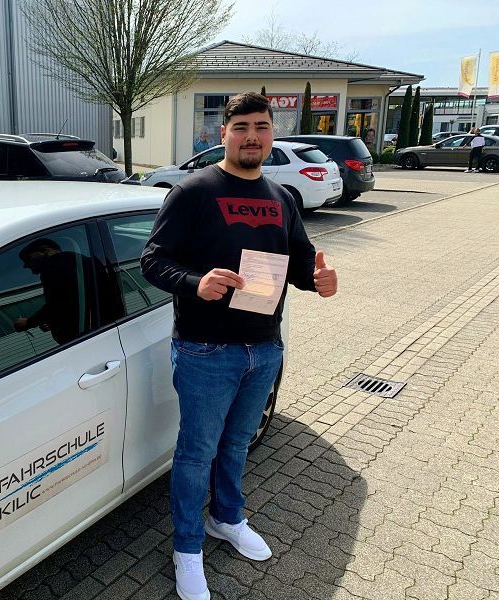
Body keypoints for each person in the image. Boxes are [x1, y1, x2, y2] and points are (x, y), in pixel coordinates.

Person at [141, 92, 338, 600]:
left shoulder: (282, 197)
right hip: (205, 349)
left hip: (264, 348)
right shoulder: (193, 191)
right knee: (196, 453)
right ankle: (187, 548)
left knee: (236, 443)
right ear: (223, 134)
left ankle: (226, 518)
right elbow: (153, 260)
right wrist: (195, 283)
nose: (253, 136)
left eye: (262, 126)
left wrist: (318, 280)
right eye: (242, 127)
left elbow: (299, 262)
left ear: (272, 134)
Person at [14, 238, 87, 345]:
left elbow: (57, 303)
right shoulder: (80, 261)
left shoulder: (53, 268)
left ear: (44, 250)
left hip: (81, 339)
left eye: (28, 259)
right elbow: (72, 303)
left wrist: (28, 322)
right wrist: (54, 320)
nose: (25, 265)